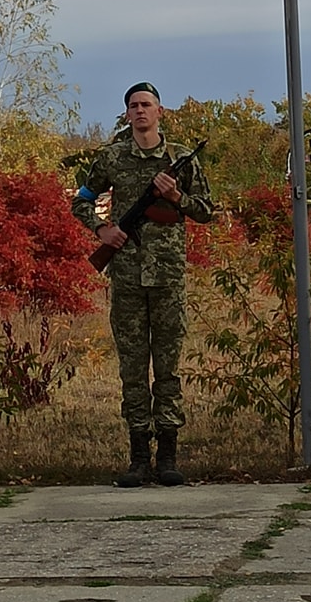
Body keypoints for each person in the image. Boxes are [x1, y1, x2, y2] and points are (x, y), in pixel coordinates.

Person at [73, 83, 214, 487]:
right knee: (133, 370)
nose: (140, 112)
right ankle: (138, 457)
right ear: (127, 114)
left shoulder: (179, 159)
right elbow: (81, 199)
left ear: (160, 111)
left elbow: (206, 211)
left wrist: (178, 196)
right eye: (133, 106)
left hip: (168, 278)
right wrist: (102, 228)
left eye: (146, 105)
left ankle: (167, 456)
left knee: (167, 369)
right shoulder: (113, 157)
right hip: (128, 278)